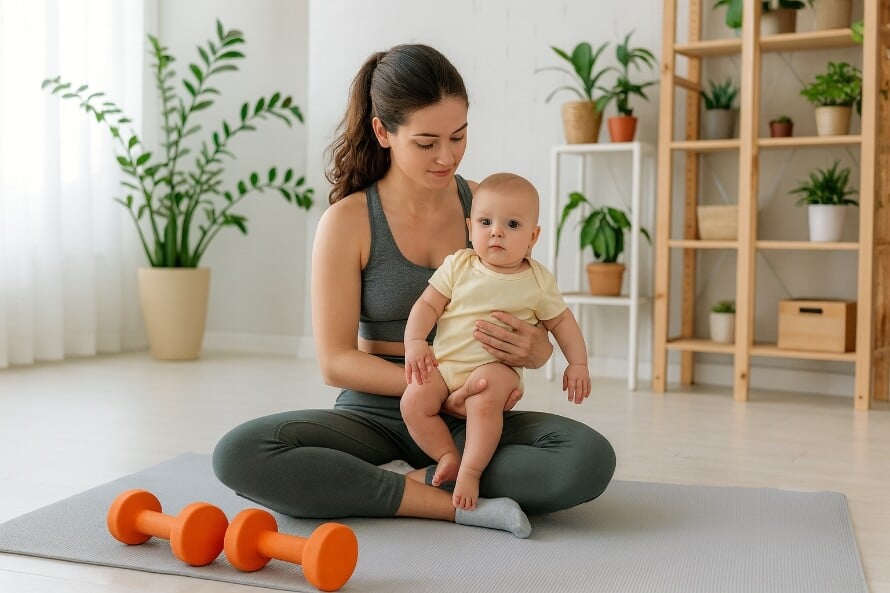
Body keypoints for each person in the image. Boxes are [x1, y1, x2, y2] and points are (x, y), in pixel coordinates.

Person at [212, 43, 616, 540]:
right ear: (383, 131)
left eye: (458, 136)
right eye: (426, 143)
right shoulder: (349, 222)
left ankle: (392, 484)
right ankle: (445, 501)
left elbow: (537, 309)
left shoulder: (485, 210)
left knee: (588, 459)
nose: (446, 156)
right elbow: (335, 361)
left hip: (473, 412)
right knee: (241, 453)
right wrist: (431, 388)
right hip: (376, 414)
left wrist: (537, 352)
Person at [401, 172, 591, 511]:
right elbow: (428, 304)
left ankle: (472, 471)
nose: (497, 232)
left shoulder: (537, 280)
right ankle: (448, 456)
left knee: (484, 401)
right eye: (485, 222)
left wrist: (577, 363)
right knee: (413, 402)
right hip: (444, 366)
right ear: (470, 227)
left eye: (513, 225)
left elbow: (562, 322)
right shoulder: (459, 265)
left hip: (496, 371)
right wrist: (415, 341)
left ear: (533, 236)